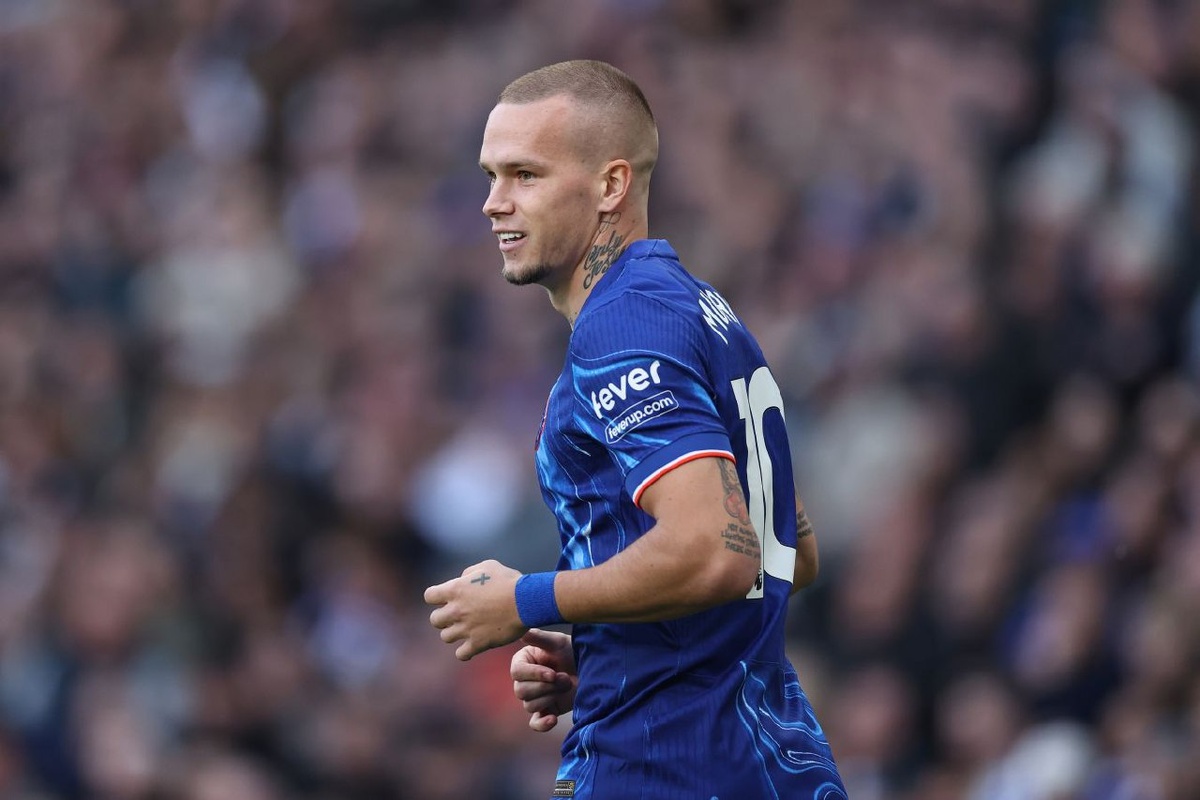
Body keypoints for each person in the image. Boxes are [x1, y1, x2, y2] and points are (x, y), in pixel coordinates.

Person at [424, 59, 847, 799]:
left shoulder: (625, 325)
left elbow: (718, 552)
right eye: (491, 176)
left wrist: (526, 599)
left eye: (525, 175)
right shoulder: (700, 309)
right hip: (763, 757)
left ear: (611, 186)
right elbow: (787, 549)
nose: (493, 203)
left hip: (666, 766)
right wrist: (608, 650)